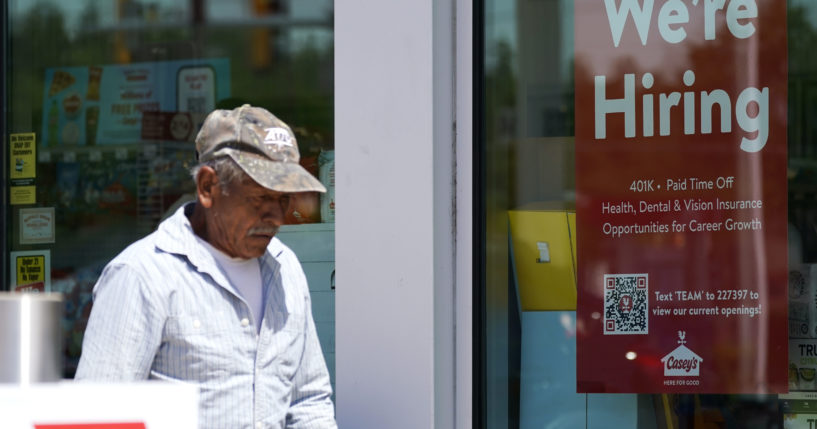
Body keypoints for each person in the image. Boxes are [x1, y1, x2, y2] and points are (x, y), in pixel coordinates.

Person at [75, 105, 338, 429]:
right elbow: (97, 417)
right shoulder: (142, 276)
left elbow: (308, 401)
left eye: (283, 199)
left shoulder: (285, 269)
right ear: (208, 188)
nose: (275, 216)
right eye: (258, 198)